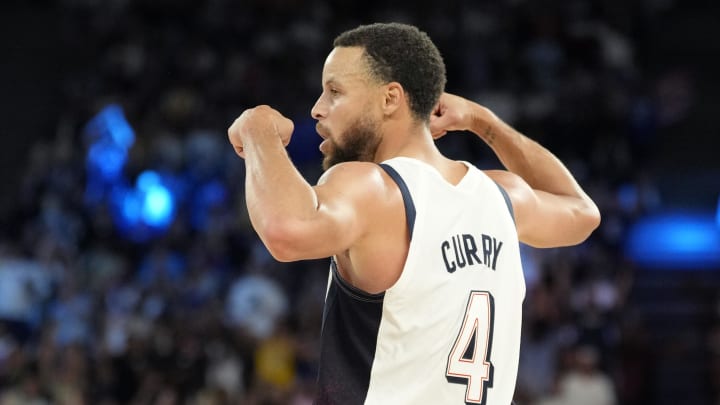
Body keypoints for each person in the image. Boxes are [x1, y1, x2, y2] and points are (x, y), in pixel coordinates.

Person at [227, 22, 600, 405]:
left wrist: (258, 130)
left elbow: (285, 230)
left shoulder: (374, 187)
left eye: (335, 92)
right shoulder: (501, 196)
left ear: (390, 99)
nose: (317, 109)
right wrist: (482, 122)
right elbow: (581, 212)